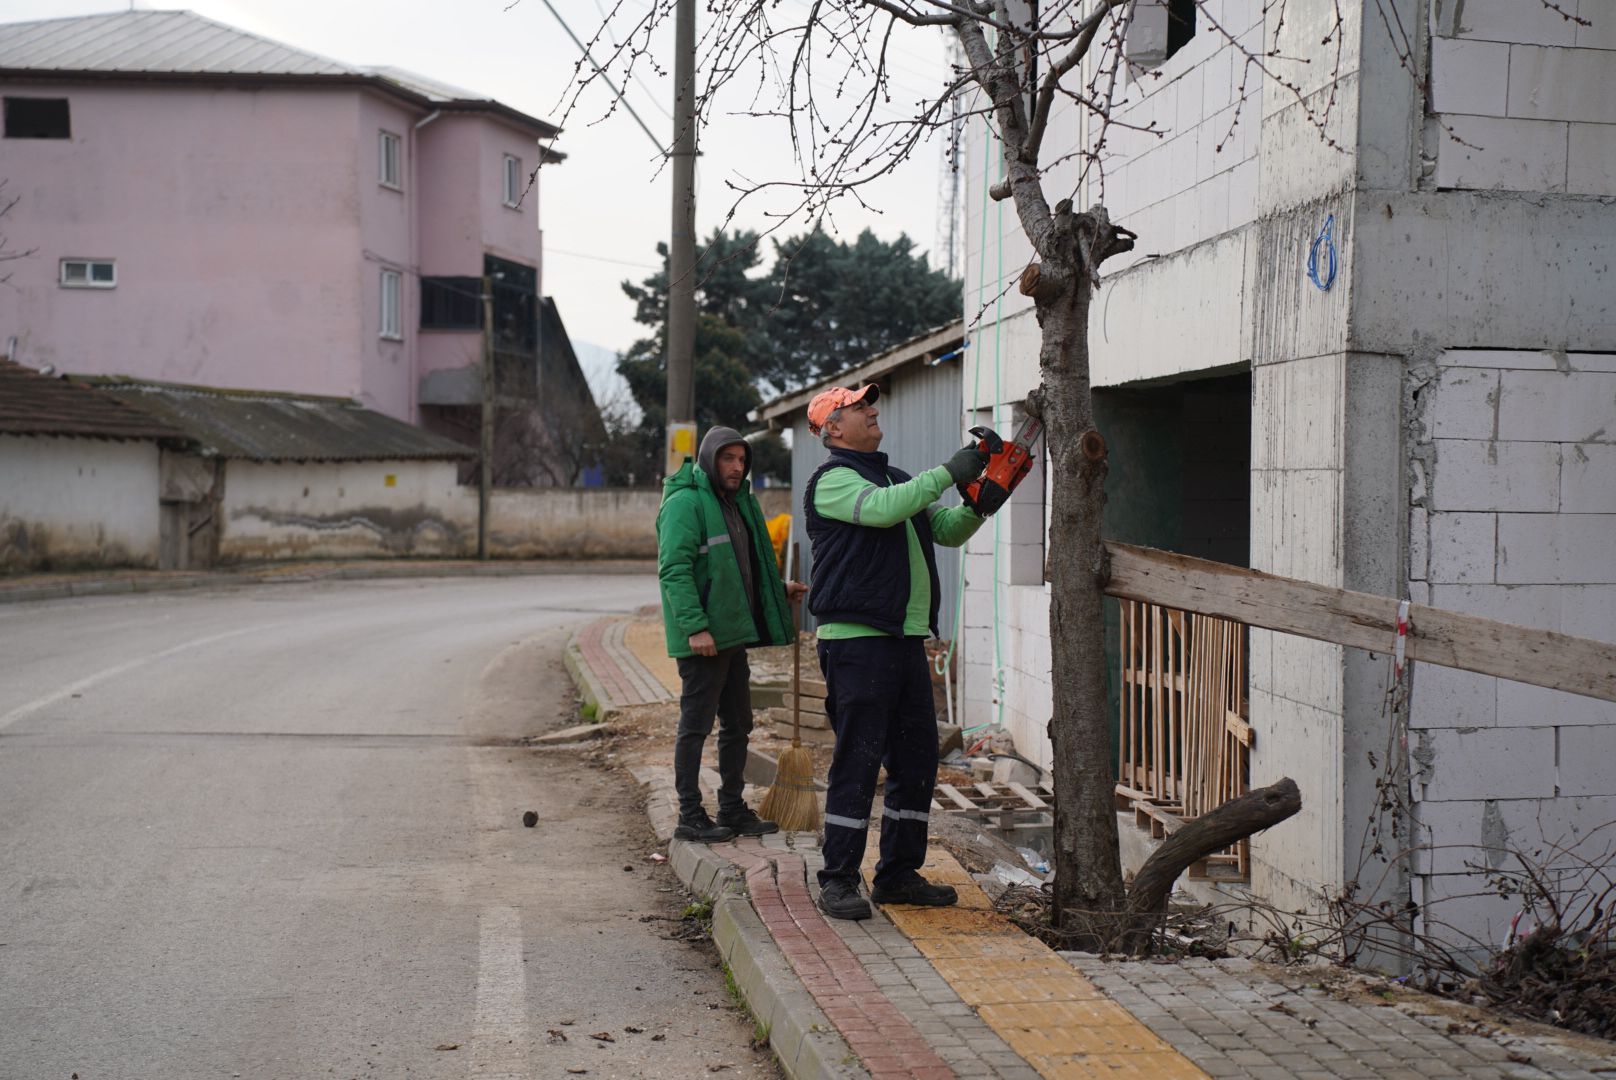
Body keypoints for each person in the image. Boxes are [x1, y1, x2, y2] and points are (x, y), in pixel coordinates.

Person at [802, 385, 990, 920]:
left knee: (916, 760)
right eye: (859, 406)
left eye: (870, 404)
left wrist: (983, 501)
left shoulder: (896, 480)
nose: (872, 410)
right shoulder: (833, 480)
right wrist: (949, 472)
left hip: (904, 639)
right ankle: (839, 878)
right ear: (832, 428)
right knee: (859, 759)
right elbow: (883, 512)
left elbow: (945, 531)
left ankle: (898, 874)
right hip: (857, 640)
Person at [658, 426, 809, 843]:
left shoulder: (734, 504)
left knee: (739, 723)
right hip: (703, 641)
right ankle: (690, 815)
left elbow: (739, 570)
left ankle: (731, 808)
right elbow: (674, 570)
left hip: (731, 635)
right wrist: (696, 627)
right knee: (696, 726)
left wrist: (778, 590)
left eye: (742, 460)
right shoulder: (685, 503)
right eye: (728, 458)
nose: (737, 467)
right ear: (709, 458)